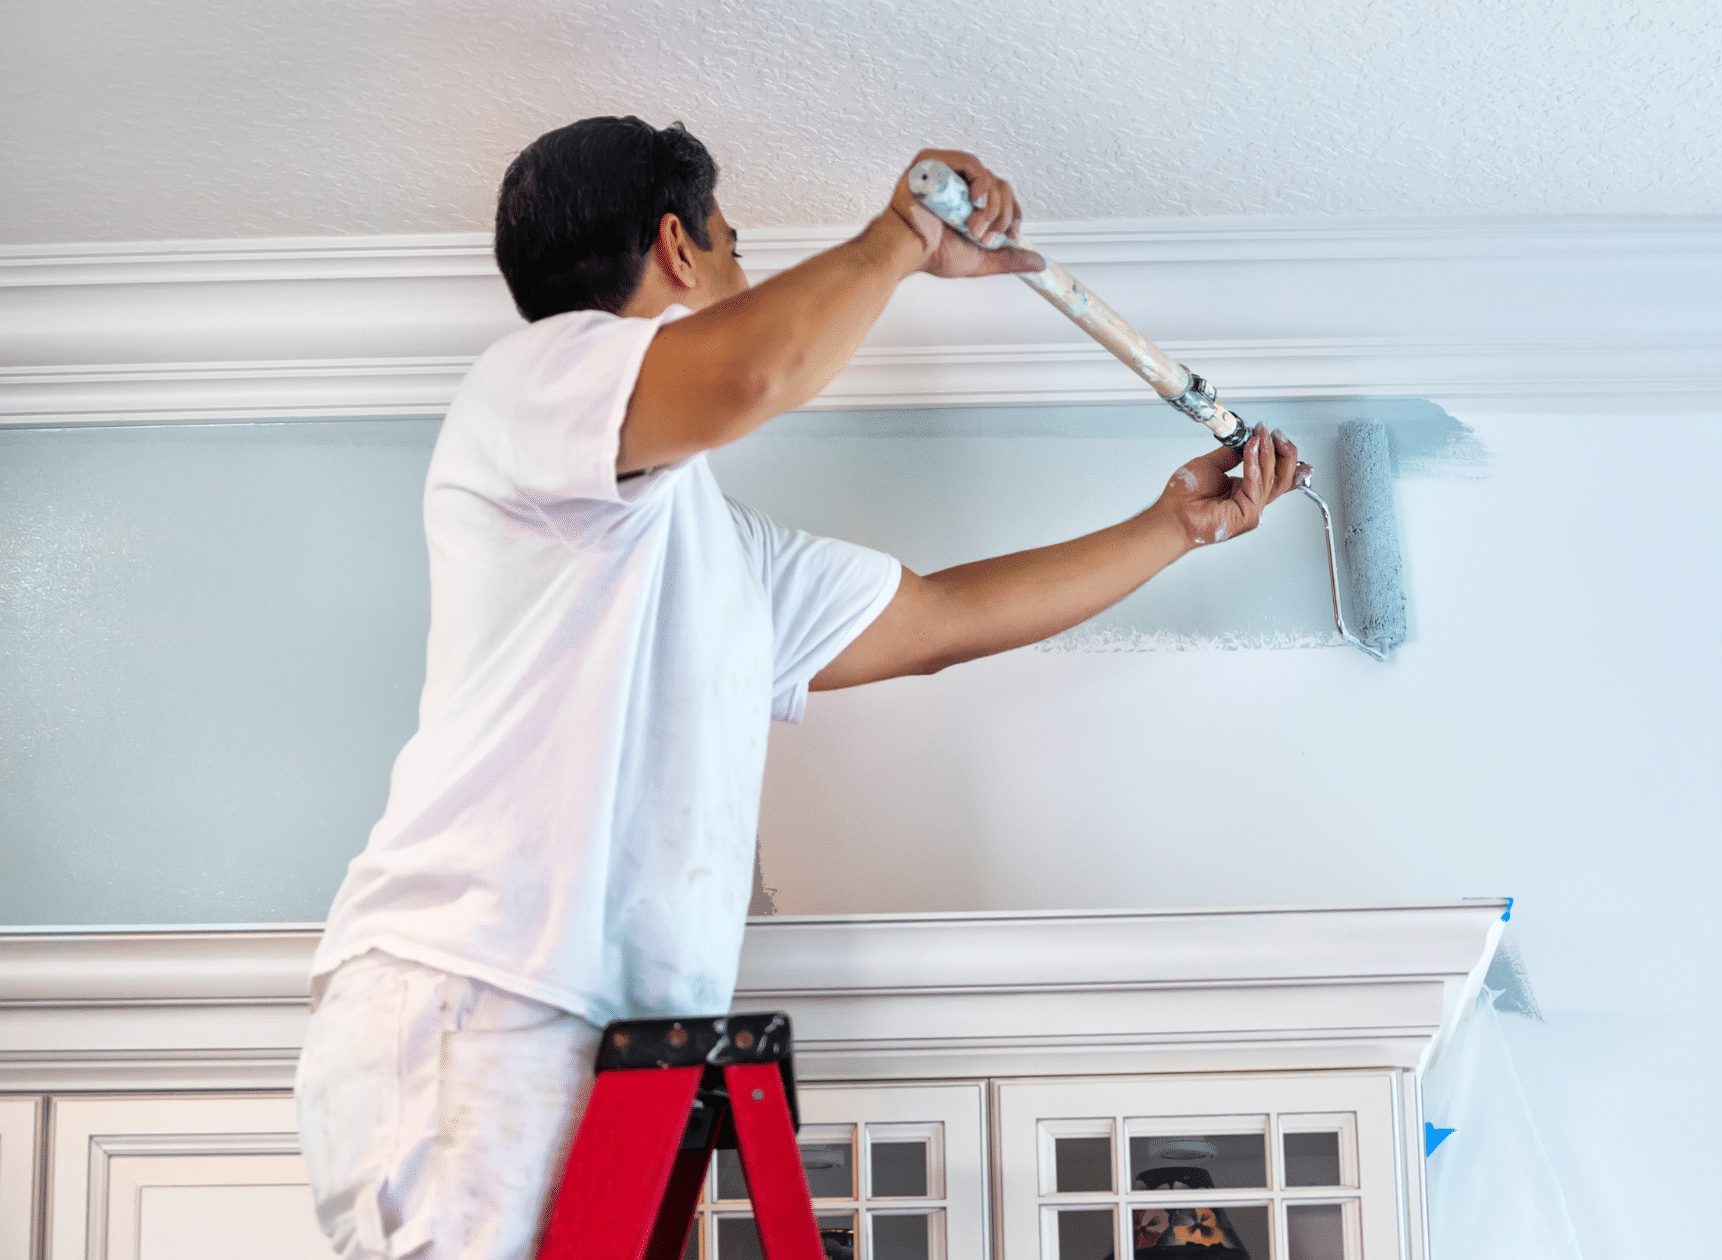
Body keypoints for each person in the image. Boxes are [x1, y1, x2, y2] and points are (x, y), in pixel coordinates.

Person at [292, 116, 1304, 1260]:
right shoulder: (528, 384)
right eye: (733, 250)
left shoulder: (717, 556)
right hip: (477, 995)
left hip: (613, 1042)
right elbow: (750, 369)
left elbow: (939, 622)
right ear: (677, 251)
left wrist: (1170, 528)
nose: (742, 280)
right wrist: (902, 237)